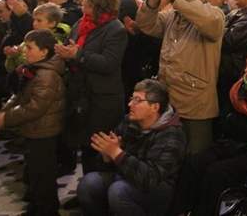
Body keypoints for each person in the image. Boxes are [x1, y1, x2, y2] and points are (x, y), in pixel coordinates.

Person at [172, 46, 247, 216]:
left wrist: (234, 123)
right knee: (192, 163)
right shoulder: (239, 87)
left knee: (215, 173)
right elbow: (224, 120)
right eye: (246, 65)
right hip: (233, 143)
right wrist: (242, 131)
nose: (246, 70)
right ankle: (180, 212)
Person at [136, 0, 225, 154]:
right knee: (169, 153)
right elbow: (146, 24)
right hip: (169, 97)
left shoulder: (214, 14)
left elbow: (209, 22)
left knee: (194, 155)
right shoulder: (172, 16)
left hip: (195, 101)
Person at [76, 79, 187, 216]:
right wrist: (107, 157)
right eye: (131, 99)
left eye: (137, 100)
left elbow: (149, 178)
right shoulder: (128, 121)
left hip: (159, 190)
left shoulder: (171, 134)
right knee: (89, 183)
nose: (130, 104)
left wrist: (116, 154)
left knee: (118, 191)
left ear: (155, 107)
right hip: (127, 178)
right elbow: (109, 164)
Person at [54, 0, 128, 180]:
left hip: (101, 100)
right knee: (86, 148)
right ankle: (86, 193)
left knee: (99, 151)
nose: (82, 0)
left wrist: (77, 55)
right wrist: (65, 53)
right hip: (81, 94)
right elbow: (75, 49)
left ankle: (99, 198)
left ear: (98, 0)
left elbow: (109, 63)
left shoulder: (115, 29)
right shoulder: (81, 22)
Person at [0, 29, 65, 216]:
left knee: (43, 177)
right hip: (34, 131)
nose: (25, 52)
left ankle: (47, 210)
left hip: (44, 132)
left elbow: (34, 108)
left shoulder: (47, 75)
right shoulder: (36, 69)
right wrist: (4, 112)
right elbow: (19, 95)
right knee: (33, 174)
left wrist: (6, 118)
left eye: (30, 48)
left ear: (44, 52)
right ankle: (36, 205)